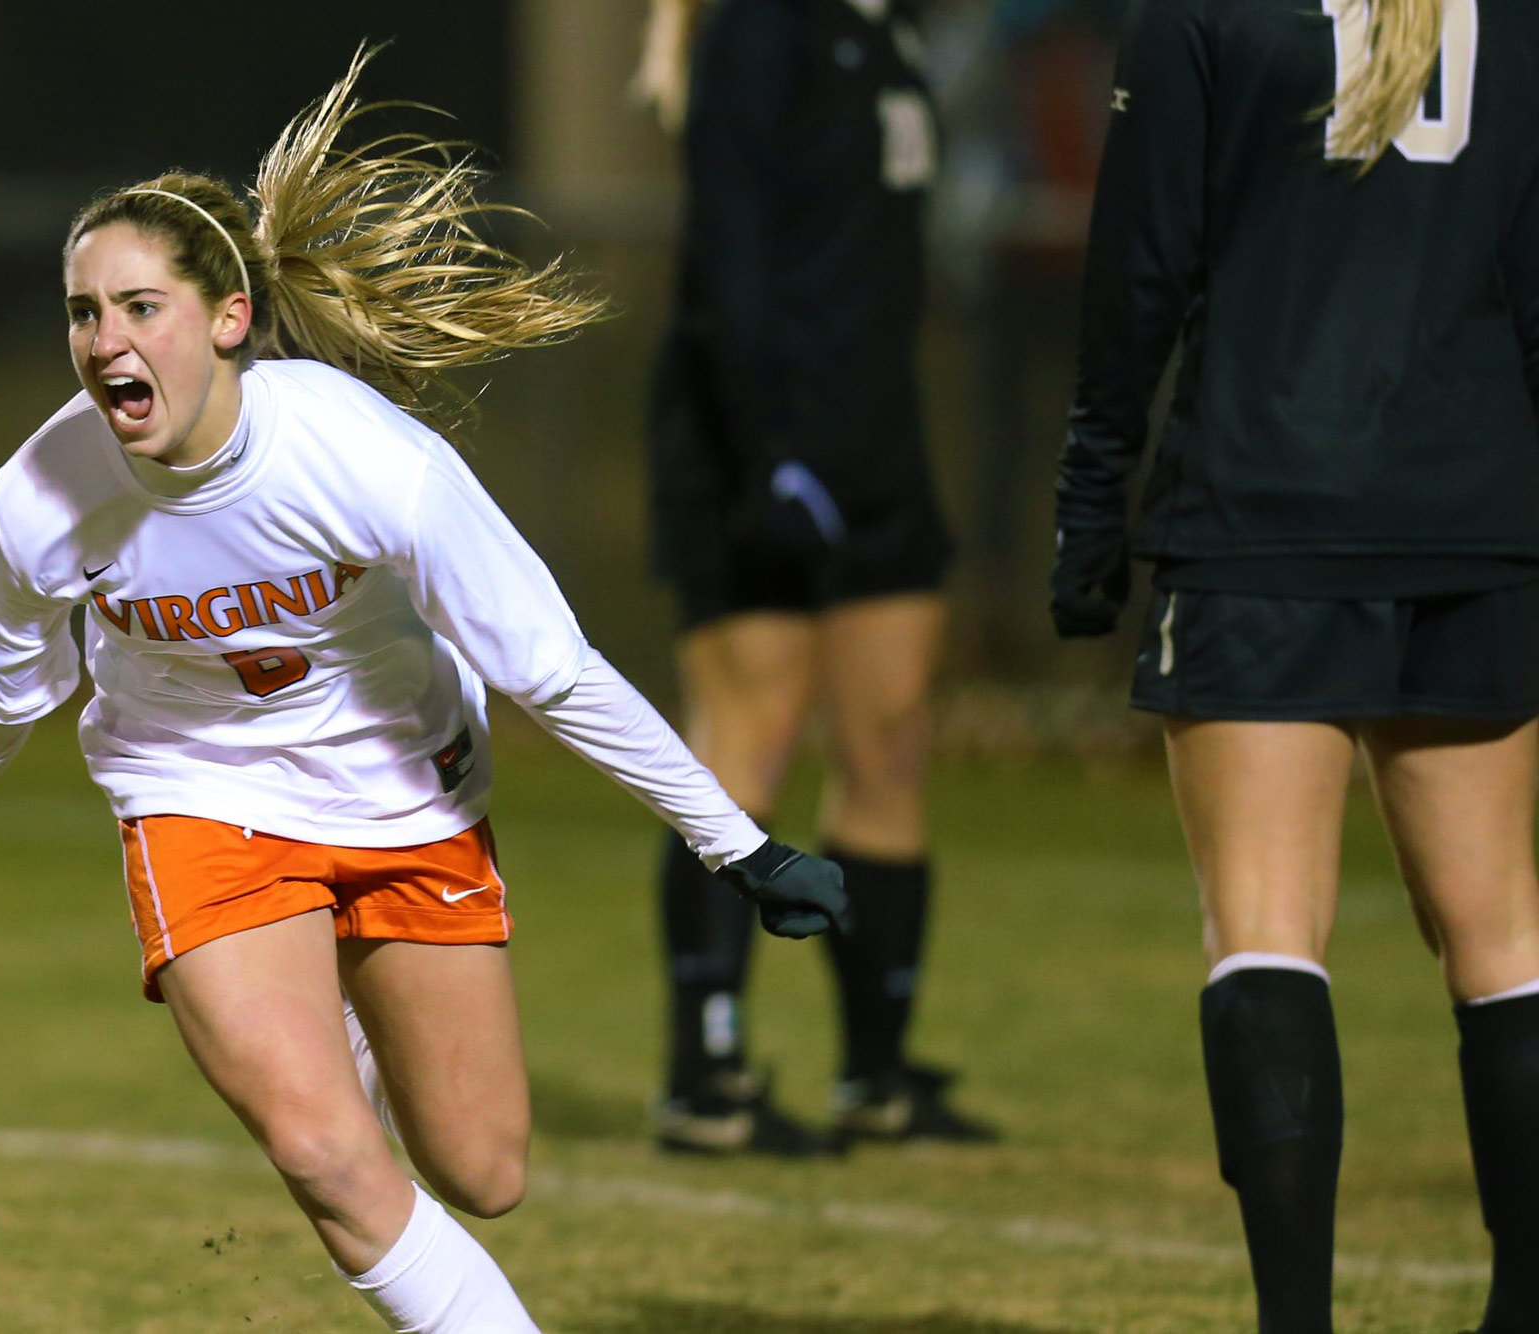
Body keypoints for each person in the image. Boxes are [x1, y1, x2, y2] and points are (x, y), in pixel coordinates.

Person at [0, 49, 850, 1334]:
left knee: (482, 1168)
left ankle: (341, 1033)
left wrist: (733, 840)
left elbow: (550, 669)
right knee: (326, 1155)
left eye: (139, 307)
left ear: (227, 316)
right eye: (82, 312)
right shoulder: (39, 500)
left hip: (405, 790)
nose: (103, 341)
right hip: (200, 801)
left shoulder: (367, 459)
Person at [1053, 0, 1539, 1329]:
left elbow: (1137, 273)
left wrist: (1091, 507)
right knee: (1505, 934)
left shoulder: (1205, 11)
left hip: (1265, 508)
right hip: (1478, 510)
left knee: (1266, 924)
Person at [634, 0, 993, 1154]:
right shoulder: (760, 29)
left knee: (888, 737)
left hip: (872, 437)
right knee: (750, 738)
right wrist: (766, 448)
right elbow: (728, 250)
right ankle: (707, 1073)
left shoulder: (886, 29)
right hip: (754, 440)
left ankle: (876, 1075)